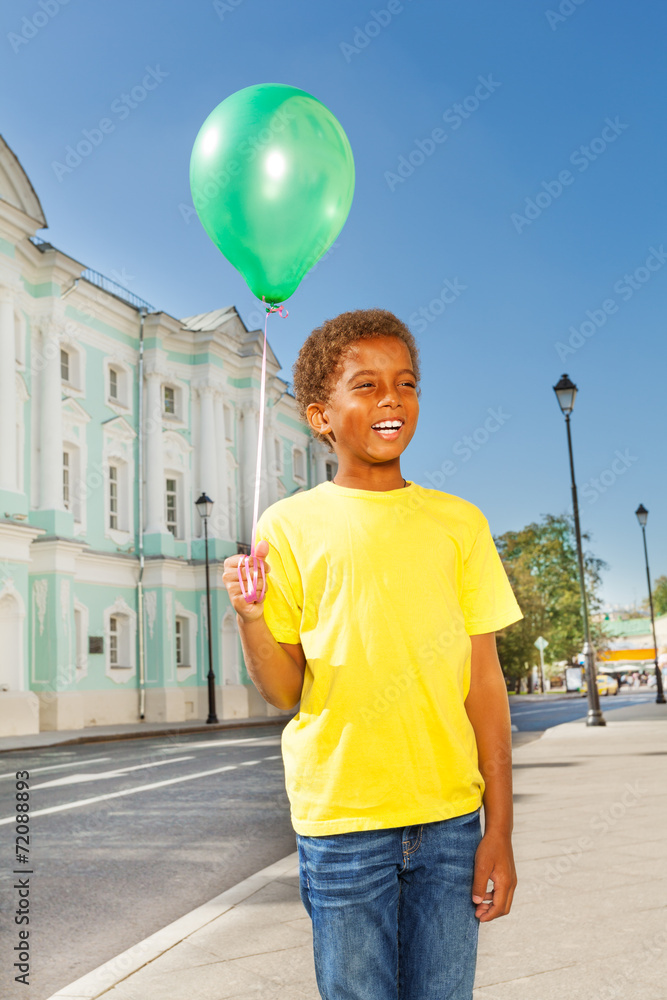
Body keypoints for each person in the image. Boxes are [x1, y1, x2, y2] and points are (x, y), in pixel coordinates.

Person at [223, 308, 523, 1000]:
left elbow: (484, 687)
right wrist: (249, 618)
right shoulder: (288, 525)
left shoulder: (458, 524)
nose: (391, 397)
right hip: (342, 823)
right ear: (319, 417)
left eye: (406, 382)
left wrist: (498, 831)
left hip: (451, 824)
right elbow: (282, 690)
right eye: (365, 385)